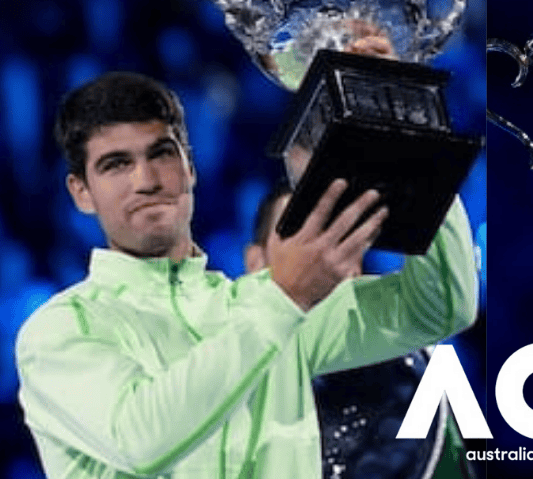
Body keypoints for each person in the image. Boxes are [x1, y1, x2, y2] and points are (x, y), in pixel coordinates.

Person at [15, 71, 478, 478]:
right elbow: (140, 439)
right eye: (116, 165)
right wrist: (284, 297)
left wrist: (398, 126)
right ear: (81, 193)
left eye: (161, 154)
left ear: (190, 168)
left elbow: (437, 308)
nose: (147, 180)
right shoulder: (59, 329)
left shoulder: (260, 306)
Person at [244, 182, 476, 479]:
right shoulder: (212, 355)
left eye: (338, 236)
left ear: (355, 265)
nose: (317, 252)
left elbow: (447, 305)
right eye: (298, 234)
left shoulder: (411, 373)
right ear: (255, 262)